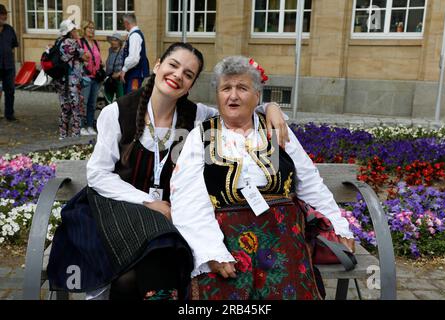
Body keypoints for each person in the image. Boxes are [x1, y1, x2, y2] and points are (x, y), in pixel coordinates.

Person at [47, 43, 289, 300]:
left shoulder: (198, 116)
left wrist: (270, 107)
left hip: (171, 214)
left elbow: (237, 107)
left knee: (169, 253)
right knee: (132, 272)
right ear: (158, 65)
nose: (177, 75)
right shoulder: (117, 112)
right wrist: (149, 202)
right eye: (173, 65)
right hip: (118, 210)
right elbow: (98, 175)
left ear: (191, 84)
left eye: (188, 74)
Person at [170, 56, 355, 300]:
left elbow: (310, 183)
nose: (233, 96)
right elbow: (187, 198)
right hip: (226, 238)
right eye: (226, 88)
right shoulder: (202, 136)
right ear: (217, 95)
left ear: (257, 95)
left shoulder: (276, 131)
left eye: (242, 88)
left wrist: (338, 226)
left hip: (282, 236)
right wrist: (211, 250)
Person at [53, 19, 88, 140]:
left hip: (60, 81)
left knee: (65, 107)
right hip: (72, 81)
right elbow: (86, 56)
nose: (76, 31)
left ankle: (62, 134)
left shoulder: (58, 42)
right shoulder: (72, 43)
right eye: (73, 29)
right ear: (69, 31)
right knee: (76, 107)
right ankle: (75, 135)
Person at [79, 20, 103, 136]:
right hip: (85, 77)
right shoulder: (80, 42)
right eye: (89, 28)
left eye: (93, 28)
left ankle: (89, 125)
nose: (92, 30)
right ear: (84, 29)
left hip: (96, 77)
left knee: (92, 104)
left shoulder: (96, 43)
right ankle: (81, 126)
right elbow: (78, 58)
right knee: (83, 102)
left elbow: (98, 58)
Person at [119, 13, 150, 94]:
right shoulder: (133, 35)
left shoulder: (135, 36)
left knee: (132, 98)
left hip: (135, 74)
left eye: (123, 23)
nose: (124, 25)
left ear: (126, 23)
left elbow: (134, 58)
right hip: (134, 74)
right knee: (130, 98)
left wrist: (124, 69)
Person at [0, 4, 18, 121]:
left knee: (10, 90)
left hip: (8, 65)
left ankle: (9, 114)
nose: (4, 17)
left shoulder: (10, 29)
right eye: (2, 15)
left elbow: (13, 46)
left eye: (5, 15)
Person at [104, 32, 124, 104]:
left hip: (119, 80)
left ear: (119, 42)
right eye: (112, 40)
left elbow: (127, 66)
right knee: (107, 101)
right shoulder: (110, 51)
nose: (113, 42)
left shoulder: (123, 52)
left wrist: (119, 73)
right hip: (110, 79)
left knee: (121, 101)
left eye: (115, 40)